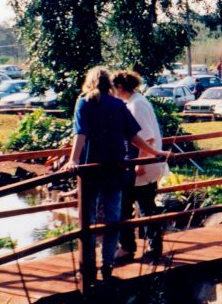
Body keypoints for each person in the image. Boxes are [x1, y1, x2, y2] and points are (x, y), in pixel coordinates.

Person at [56, 66, 170, 282]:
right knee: (113, 219)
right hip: (116, 169)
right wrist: (155, 152)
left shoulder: (85, 102)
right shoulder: (118, 104)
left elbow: (81, 133)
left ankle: (88, 266)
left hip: (92, 170)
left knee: (87, 220)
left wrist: (74, 160)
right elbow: (134, 135)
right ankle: (107, 265)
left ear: (89, 82)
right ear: (109, 83)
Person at [112, 70, 167, 263]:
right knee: (131, 206)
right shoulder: (133, 102)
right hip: (135, 165)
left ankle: (146, 246)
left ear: (119, 87)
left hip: (141, 167)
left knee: (142, 207)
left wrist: (140, 163)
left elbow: (148, 136)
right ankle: (132, 246)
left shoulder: (137, 105)